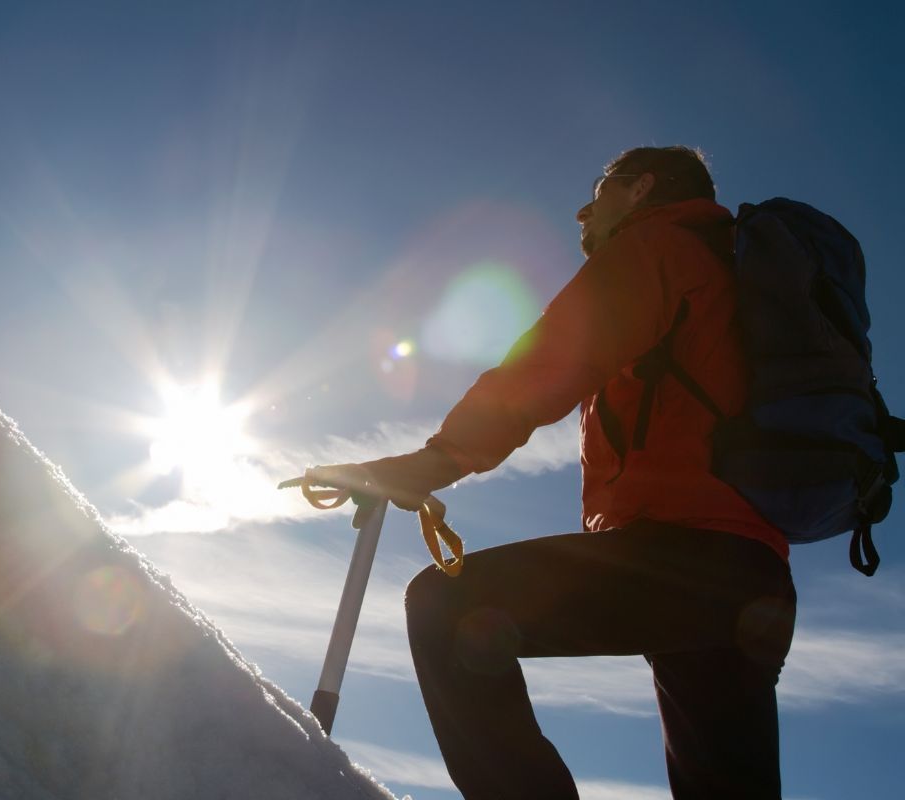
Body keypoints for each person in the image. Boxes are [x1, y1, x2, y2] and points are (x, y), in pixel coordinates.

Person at [307, 146, 797, 800]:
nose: (582, 210)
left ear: (642, 187)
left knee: (448, 607)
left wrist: (430, 463)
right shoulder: (733, 275)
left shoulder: (657, 247)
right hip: (753, 582)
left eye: (600, 189)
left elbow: (547, 365)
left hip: (681, 554)